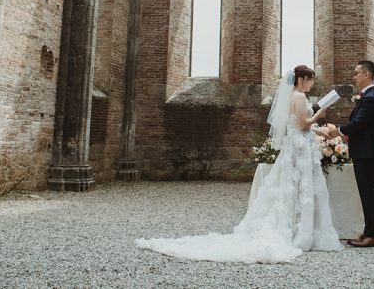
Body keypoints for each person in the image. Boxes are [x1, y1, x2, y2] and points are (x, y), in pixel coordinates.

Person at [136, 65, 341, 262]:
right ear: (301, 80)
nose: (311, 84)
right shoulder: (298, 96)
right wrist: (319, 115)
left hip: (298, 143)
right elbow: (303, 123)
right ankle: (299, 229)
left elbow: (297, 125)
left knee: (292, 187)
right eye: (310, 80)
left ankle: (298, 226)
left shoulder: (294, 96)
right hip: (299, 147)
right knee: (299, 186)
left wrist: (319, 130)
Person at [331, 59, 374, 248]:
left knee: (369, 194)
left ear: (366, 74)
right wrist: (350, 136)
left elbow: (359, 123)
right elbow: (362, 126)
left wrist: (339, 131)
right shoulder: (367, 95)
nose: (354, 77)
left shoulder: (370, 98)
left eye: (356, 73)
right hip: (363, 150)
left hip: (367, 153)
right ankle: (369, 232)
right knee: (366, 193)